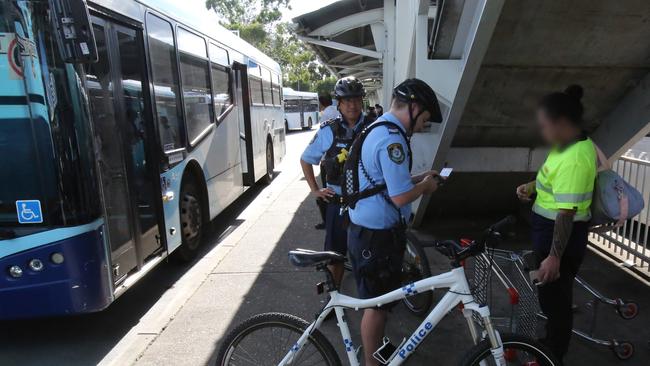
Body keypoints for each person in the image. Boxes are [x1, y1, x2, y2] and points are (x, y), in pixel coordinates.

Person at [346, 78, 443, 366]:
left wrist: (420, 178)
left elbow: (384, 183)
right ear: (413, 108)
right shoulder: (392, 138)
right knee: (376, 307)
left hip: (367, 232)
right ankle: (371, 364)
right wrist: (425, 188)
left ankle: (374, 358)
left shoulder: (378, 128)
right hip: (376, 238)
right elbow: (400, 198)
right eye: (424, 118)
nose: (424, 125)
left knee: (380, 303)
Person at [516, 85, 596, 363]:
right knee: (551, 300)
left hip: (560, 240)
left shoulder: (575, 159)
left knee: (557, 305)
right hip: (548, 233)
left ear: (562, 124)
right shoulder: (566, 146)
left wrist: (553, 257)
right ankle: (548, 348)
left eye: (545, 126)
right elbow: (552, 179)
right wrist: (532, 187)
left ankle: (551, 357)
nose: (543, 132)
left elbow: (566, 213)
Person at [300, 77, 373, 287]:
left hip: (367, 202)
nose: (352, 105)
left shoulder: (375, 127)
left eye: (356, 99)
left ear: (362, 101)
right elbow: (306, 159)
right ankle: (334, 300)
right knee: (335, 255)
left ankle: (370, 299)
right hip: (338, 202)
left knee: (368, 253)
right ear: (338, 103)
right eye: (346, 100)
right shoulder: (328, 130)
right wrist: (315, 190)